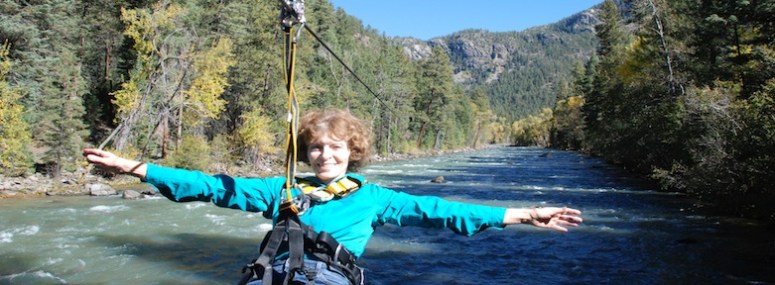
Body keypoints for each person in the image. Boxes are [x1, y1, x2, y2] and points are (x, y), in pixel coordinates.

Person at [83, 108, 583, 285]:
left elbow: (446, 212)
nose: (324, 155)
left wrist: (524, 214)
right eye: (316, 147)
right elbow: (215, 188)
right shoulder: (280, 190)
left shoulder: (377, 197)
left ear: (353, 151)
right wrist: (138, 167)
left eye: (335, 147)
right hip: (271, 277)